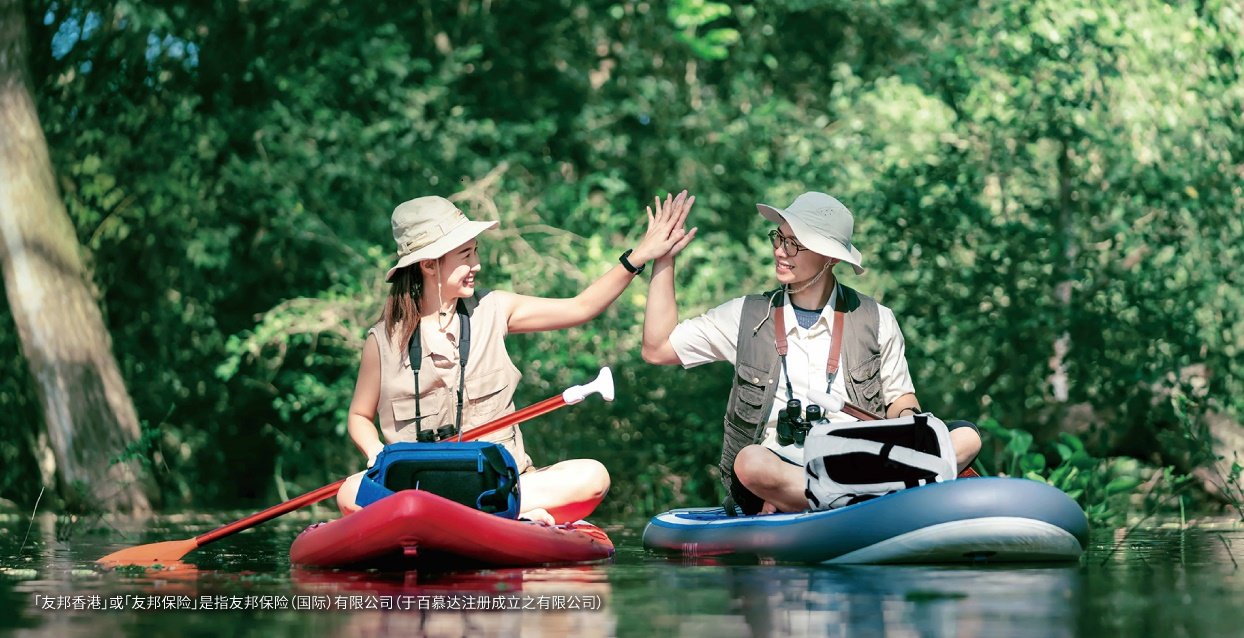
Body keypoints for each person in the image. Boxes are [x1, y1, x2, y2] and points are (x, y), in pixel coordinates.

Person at [337, 193, 693, 523]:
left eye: (475, 251)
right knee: (349, 490)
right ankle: (491, 514)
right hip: (416, 488)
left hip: (499, 485)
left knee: (592, 475)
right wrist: (374, 452)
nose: (476, 264)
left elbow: (581, 307)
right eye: (465, 255)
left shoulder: (496, 309)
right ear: (430, 265)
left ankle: (484, 510)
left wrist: (637, 258)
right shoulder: (382, 339)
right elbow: (359, 415)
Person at [642, 191, 982, 514]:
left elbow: (900, 397)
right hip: (781, 466)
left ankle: (842, 497)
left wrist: (909, 423)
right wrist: (664, 259)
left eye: (796, 244)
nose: (780, 251)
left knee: (965, 436)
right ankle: (877, 498)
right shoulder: (745, 315)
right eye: (779, 237)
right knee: (749, 463)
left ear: (831, 257)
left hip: (859, 458)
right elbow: (658, 349)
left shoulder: (877, 318)